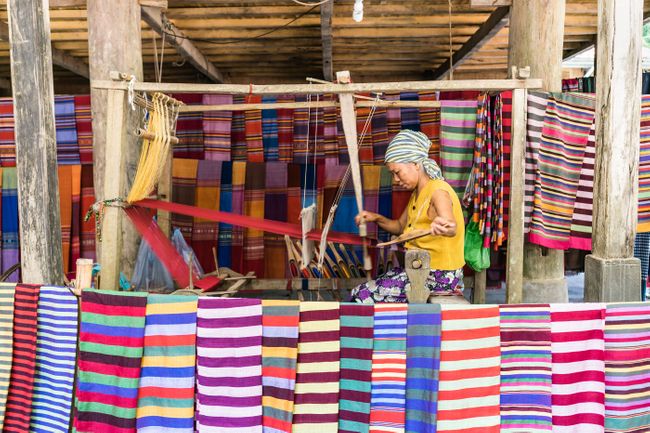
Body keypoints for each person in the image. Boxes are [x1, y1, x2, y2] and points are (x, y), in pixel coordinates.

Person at [350, 129, 465, 303]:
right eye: (392, 174)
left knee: (360, 295)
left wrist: (445, 225)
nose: (395, 179)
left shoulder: (438, 191)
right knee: (372, 284)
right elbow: (399, 227)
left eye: (398, 172)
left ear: (416, 165)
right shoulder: (417, 194)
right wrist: (376, 218)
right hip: (421, 270)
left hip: (440, 276)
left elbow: (451, 225)